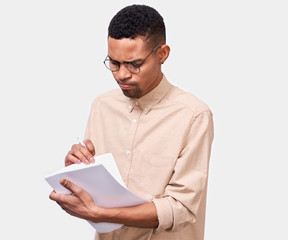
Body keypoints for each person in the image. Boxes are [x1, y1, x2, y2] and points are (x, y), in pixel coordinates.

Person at [49, 4, 214, 240]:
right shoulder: (101, 106)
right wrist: (75, 171)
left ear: (162, 54)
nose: (122, 74)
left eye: (134, 64)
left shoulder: (194, 115)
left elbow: (181, 208)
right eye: (114, 63)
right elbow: (97, 190)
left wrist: (101, 213)